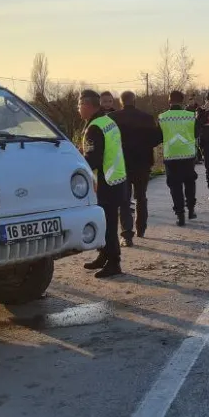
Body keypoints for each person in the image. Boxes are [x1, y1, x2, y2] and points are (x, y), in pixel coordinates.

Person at [79, 89, 127, 278]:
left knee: (107, 224)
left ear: (87, 105)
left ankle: (114, 262)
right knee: (107, 222)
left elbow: (93, 160)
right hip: (117, 177)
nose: (78, 109)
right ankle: (104, 255)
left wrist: (79, 161)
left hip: (106, 182)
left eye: (79, 105)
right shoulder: (108, 121)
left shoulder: (94, 127)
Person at [109, 91, 160, 244]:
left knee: (124, 200)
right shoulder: (147, 118)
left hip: (122, 163)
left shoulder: (113, 119)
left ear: (121, 102)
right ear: (134, 101)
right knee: (141, 197)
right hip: (142, 163)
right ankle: (141, 228)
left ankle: (126, 234)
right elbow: (157, 138)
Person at [159, 90, 199, 225]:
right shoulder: (191, 116)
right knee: (189, 182)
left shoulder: (162, 117)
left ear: (169, 100)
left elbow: (158, 137)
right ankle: (191, 210)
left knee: (175, 186)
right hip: (188, 155)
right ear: (182, 101)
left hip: (171, 156)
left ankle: (180, 215)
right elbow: (197, 133)